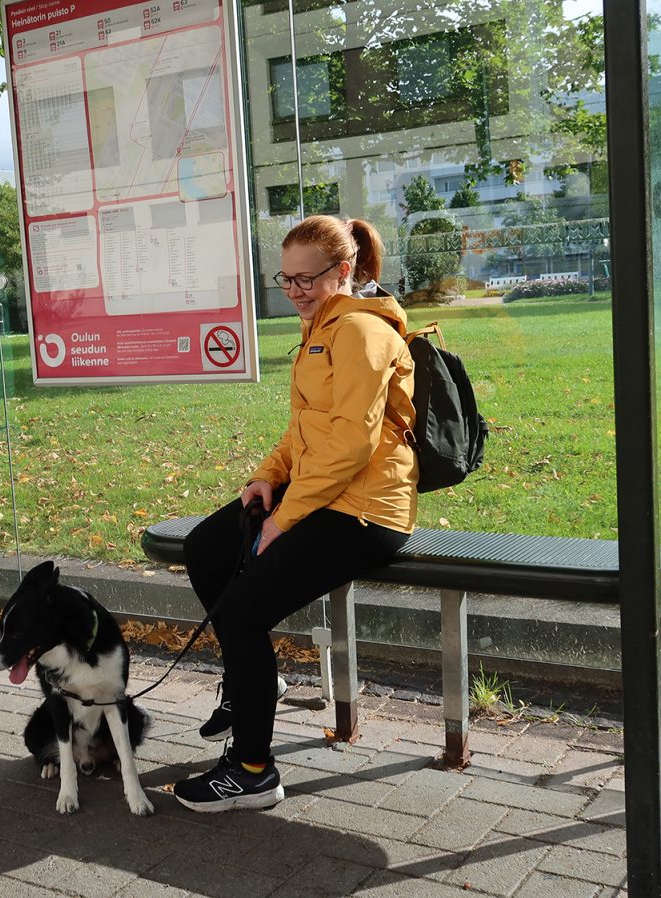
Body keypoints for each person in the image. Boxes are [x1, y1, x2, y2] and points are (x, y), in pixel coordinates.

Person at [171, 214, 419, 812]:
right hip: (323, 493)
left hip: (365, 512)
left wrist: (284, 520)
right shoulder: (321, 330)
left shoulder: (360, 333)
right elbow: (306, 428)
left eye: (309, 279)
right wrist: (267, 478)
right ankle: (252, 681)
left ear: (346, 270)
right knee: (206, 548)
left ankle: (253, 769)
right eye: (286, 280)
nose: (297, 291)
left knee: (241, 614)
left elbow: (352, 446)